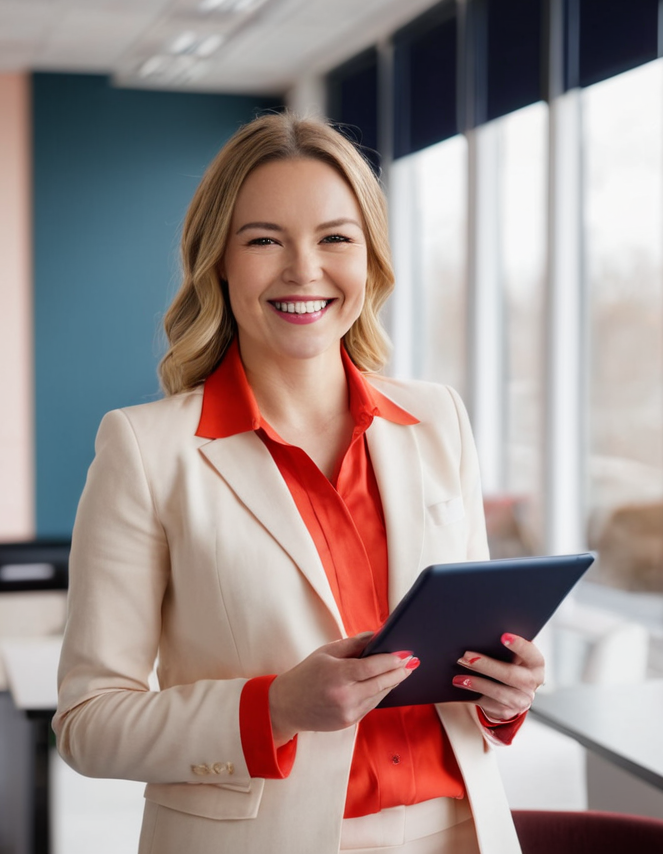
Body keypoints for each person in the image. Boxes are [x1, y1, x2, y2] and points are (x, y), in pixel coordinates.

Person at [53, 112, 544, 854]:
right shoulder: (146, 450)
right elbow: (88, 723)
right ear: (219, 261)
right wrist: (274, 708)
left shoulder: (437, 418)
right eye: (264, 241)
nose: (304, 270)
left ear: (370, 259)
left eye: (335, 238)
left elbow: (468, 658)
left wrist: (504, 695)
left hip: (457, 833)